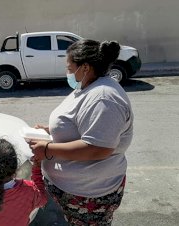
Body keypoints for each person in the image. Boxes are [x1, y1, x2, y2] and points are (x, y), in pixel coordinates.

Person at [29, 39, 133, 225]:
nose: (67, 73)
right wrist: (52, 130)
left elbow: (98, 148)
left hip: (90, 195)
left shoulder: (104, 98)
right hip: (75, 191)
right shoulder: (88, 86)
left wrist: (47, 150)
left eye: (70, 68)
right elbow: (81, 123)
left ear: (85, 68)